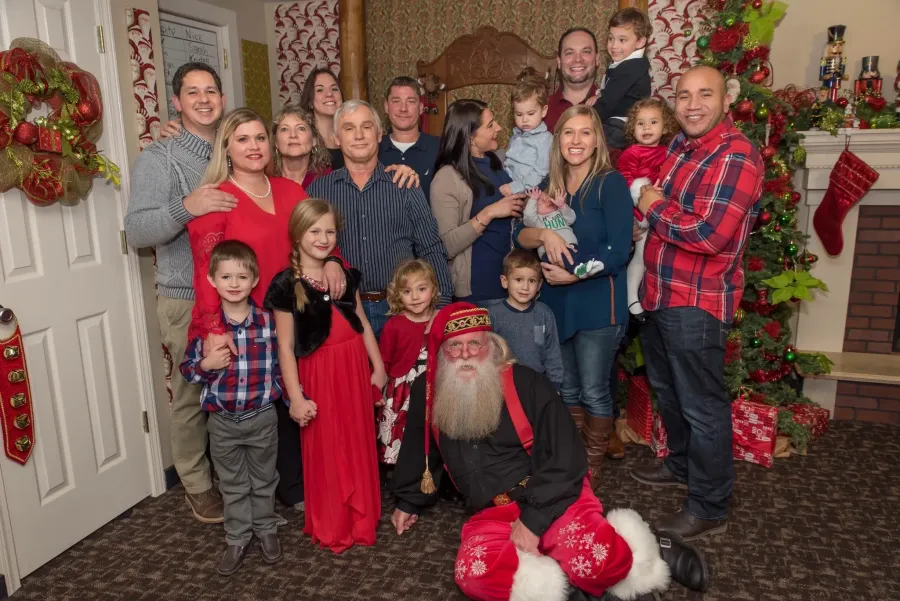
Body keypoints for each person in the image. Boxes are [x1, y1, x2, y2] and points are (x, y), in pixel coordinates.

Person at [390, 303, 708, 601]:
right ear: (442, 353)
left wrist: (533, 522)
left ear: (489, 345)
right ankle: (574, 585)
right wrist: (409, 499)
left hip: (553, 495)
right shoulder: (428, 390)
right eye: (454, 347)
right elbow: (421, 447)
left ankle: (652, 546)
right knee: (474, 577)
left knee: (593, 560)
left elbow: (567, 458)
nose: (465, 355)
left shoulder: (527, 383)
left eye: (475, 344)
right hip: (491, 511)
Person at [631, 65, 764, 541]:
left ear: (726, 99)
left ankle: (709, 504)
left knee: (702, 405)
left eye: (703, 95)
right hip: (660, 293)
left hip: (698, 300)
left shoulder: (737, 156)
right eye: (684, 95)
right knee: (668, 392)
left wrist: (653, 206)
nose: (692, 104)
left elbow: (709, 233)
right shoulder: (680, 147)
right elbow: (660, 198)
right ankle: (683, 466)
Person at [124, 62, 232, 524]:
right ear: (177, 102)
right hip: (185, 295)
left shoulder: (235, 147)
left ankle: (236, 475)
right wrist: (188, 206)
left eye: (211, 90)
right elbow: (137, 230)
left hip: (240, 294)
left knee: (240, 387)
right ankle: (196, 483)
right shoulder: (159, 158)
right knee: (192, 393)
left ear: (222, 99)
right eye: (193, 92)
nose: (204, 99)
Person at [515, 106, 633, 492]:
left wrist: (574, 272)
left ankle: (590, 472)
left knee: (594, 389)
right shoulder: (551, 183)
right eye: (569, 133)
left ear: (597, 139)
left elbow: (618, 251)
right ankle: (572, 463)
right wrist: (544, 236)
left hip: (599, 302)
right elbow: (520, 235)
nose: (576, 141)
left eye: (585, 133)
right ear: (558, 140)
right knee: (565, 389)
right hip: (557, 305)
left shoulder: (610, 184)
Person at [265, 199, 386, 554]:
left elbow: (361, 323)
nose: (323, 238)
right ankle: (333, 521)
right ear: (297, 234)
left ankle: (361, 518)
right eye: (314, 231)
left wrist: (376, 366)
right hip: (320, 372)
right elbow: (285, 348)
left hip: (353, 367)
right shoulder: (286, 285)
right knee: (329, 445)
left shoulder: (344, 276)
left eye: (330, 231)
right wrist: (297, 397)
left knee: (357, 439)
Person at [179, 241, 283, 575]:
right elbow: (189, 371)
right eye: (226, 276)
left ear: (254, 280)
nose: (234, 283)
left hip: (262, 418)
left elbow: (283, 366)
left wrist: (277, 393)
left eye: (242, 276)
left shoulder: (269, 323)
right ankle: (237, 536)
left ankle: (266, 528)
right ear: (212, 280)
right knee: (232, 483)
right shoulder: (206, 330)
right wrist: (208, 363)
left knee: (264, 479)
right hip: (221, 422)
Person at [307, 100, 453, 337]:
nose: (358, 135)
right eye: (348, 128)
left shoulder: (405, 186)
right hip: (342, 309)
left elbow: (431, 247)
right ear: (336, 138)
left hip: (402, 308)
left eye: (366, 127)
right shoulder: (319, 191)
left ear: (379, 134)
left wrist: (442, 305)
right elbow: (305, 250)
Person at [430, 99, 527, 304]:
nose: (499, 128)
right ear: (469, 137)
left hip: (512, 288)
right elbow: (446, 246)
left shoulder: (496, 162)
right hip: (478, 292)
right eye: (490, 125)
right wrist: (489, 213)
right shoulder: (447, 177)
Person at [617, 98, 679, 320]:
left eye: (653, 122)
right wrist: (641, 195)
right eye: (640, 123)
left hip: (664, 213)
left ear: (665, 127)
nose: (646, 128)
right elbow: (624, 184)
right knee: (641, 257)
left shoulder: (669, 153)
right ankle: (631, 297)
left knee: (659, 259)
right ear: (632, 127)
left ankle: (655, 299)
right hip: (640, 213)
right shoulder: (631, 153)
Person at [377, 259, 440, 465]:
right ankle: (399, 473)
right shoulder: (393, 325)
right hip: (402, 392)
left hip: (434, 387)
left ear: (433, 289)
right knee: (401, 433)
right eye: (406, 291)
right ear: (397, 295)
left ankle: (433, 471)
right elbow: (384, 361)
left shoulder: (442, 321)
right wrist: (376, 390)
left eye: (421, 289)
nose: (414, 297)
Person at [485, 250, 563, 390]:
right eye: (519, 280)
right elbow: (488, 354)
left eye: (531, 281)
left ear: (539, 285)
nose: (525, 287)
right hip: (503, 384)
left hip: (537, 383)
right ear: (505, 281)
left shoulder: (544, 313)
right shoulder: (493, 314)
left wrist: (555, 385)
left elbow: (552, 353)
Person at [596, 8, 653, 150]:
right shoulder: (635, 64)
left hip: (619, 127)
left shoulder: (628, 68)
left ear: (640, 42)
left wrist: (587, 115)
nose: (614, 46)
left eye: (622, 40)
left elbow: (607, 103)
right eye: (610, 38)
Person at [379, 76, 441, 199]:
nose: (403, 108)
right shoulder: (373, 149)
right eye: (396, 101)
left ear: (421, 108)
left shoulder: (440, 148)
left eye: (411, 101)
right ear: (386, 107)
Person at [499, 68, 553, 195]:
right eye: (518, 114)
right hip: (507, 180)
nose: (524, 120)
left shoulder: (545, 139)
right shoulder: (517, 134)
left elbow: (541, 173)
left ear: (543, 111)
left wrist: (515, 187)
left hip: (527, 190)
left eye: (530, 113)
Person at [545, 28, 602, 131]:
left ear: (597, 59)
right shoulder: (541, 110)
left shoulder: (615, 108)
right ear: (559, 62)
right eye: (569, 53)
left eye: (586, 51)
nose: (578, 59)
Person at [272, 103, 333, 188]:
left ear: (314, 140)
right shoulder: (266, 181)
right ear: (276, 142)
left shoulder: (329, 179)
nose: (293, 135)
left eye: (301, 128)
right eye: (284, 129)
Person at [299, 67, 344, 169]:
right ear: (310, 102)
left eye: (334, 89)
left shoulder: (352, 137)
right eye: (320, 90)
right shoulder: (304, 142)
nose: (329, 94)